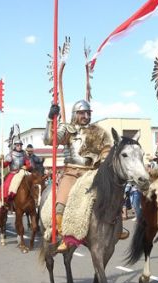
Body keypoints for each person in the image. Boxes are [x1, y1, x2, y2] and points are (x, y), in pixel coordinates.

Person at [43, 99, 114, 252]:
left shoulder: (99, 131)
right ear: (75, 114)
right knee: (60, 204)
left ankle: (115, 228)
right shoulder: (68, 129)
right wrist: (50, 119)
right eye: (82, 113)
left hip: (91, 172)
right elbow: (49, 140)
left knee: (110, 197)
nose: (86, 116)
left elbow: (107, 148)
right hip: (71, 172)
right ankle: (64, 237)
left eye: (88, 113)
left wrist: (103, 161)